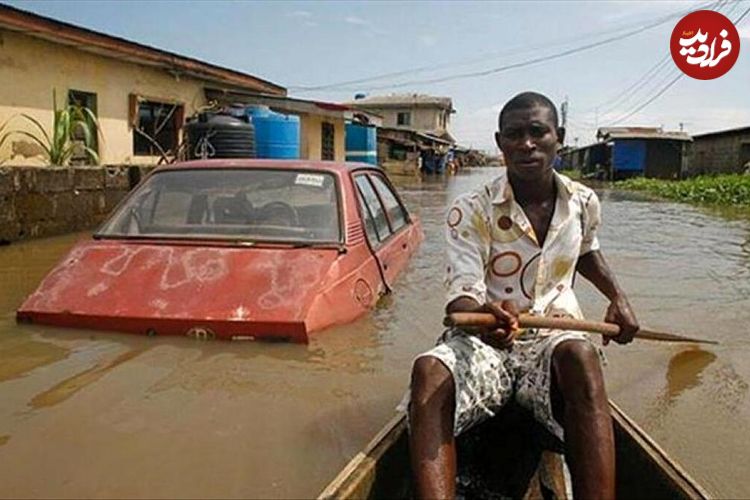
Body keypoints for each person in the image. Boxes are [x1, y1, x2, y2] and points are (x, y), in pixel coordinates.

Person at [407, 91, 639, 500]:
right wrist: (484, 316)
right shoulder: (471, 209)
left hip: (553, 342)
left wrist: (618, 297)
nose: (526, 143)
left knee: (583, 359)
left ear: (558, 137)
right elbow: (461, 296)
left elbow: (585, 250)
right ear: (500, 143)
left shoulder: (584, 202)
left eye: (537, 132)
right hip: (487, 346)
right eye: (514, 135)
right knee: (428, 373)